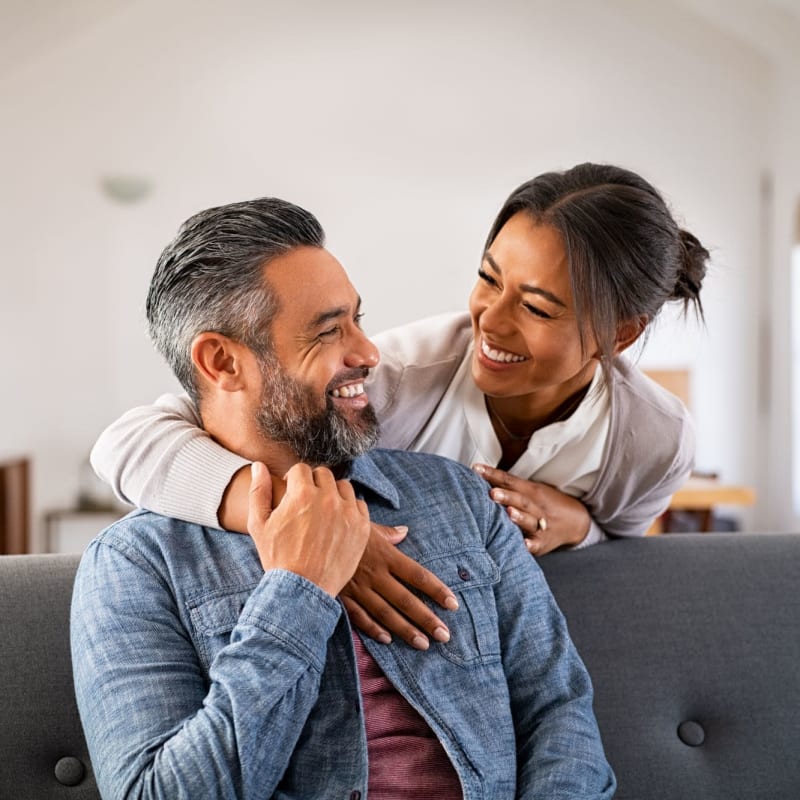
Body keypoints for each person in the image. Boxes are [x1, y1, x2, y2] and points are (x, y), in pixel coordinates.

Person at [70, 197, 615, 799]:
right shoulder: (136, 565)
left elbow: (559, 711)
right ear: (222, 361)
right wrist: (296, 593)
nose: (368, 352)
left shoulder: (460, 497)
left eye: (358, 319)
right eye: (330, 331)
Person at [91, 162, 709, 649]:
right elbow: (128, 443)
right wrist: (314, 527)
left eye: (537, 307)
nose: (489, 322)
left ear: (619, 334)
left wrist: (582, 527)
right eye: (489, 278)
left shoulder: (653, 440)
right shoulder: (398, 376)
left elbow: (624, 556)